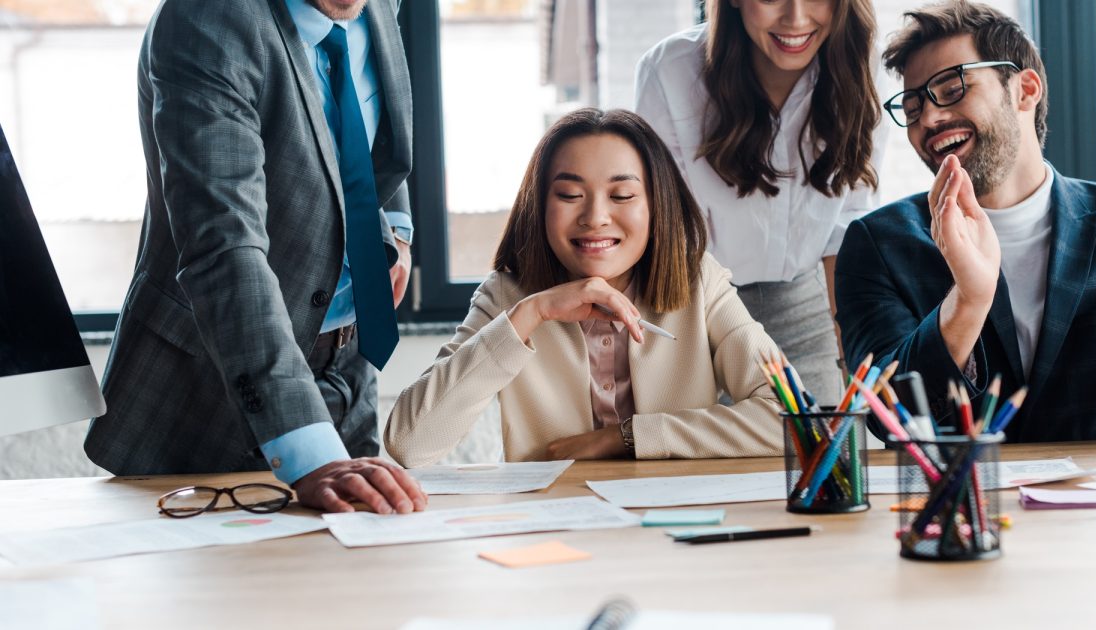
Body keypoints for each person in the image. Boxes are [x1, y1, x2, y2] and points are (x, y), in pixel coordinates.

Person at [84, 0, 428, 515]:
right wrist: (311, 453)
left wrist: (396, 231)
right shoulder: (207, 19)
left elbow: (364, 128)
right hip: (211, 389)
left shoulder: (377, 5)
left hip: (347, 365)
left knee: (358, 575)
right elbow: (224, 245)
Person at [835, 0, 1096, 442]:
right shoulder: (876, 244)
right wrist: (968, 301)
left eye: (951, 89)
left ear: (1025, 89)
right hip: (959, 502)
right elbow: (890, 416)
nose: (928, 118)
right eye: (912, 109)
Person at [385, 109, 783, 467]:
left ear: (656, 205)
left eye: (622, 196)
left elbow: (791, 419)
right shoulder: (506, 296)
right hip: (552, 531)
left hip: (672, 532)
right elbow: (409, 443)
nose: (595, 217)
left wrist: (626, 438)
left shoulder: (700, 282)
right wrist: (531, 314)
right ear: (540, 205)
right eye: (570, 195)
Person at [634, 0, 887, 404]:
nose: (797, 19)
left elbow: (849, 224)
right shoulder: (668, 72)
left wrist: (852, 362)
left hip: (808, 306)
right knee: (719, 455)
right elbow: (668, 230)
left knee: (826, 457)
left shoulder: (859, 63)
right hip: (701, 308)